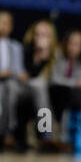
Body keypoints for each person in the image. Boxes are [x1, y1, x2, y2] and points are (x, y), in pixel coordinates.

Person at [0, 9, 31, 147]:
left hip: (12, 81)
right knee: (4, 89)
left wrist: (21, 74)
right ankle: (3, 131)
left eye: (6, 23)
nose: (3, 26)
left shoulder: (16, 46)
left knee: (12, 87)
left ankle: (45, 130)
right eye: (0, 22)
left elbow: (19, 69)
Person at [24, 19, 58, 150]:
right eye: (37, 34)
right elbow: (27, 76)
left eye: (44, 35)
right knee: (39, 85)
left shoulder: (57, 53)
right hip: (29, 89)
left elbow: (56, 78)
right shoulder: (26, 51)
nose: (40, 39)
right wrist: (40, 57)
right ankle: (47, 134)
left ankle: (47, 132)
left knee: (42, 88)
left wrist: (46, 56)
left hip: (53, 92)